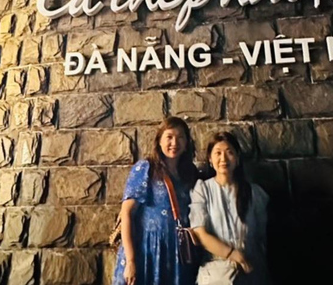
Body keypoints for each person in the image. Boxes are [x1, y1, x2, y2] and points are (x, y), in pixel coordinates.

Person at [112, 117, 199, 285]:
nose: (175, 142)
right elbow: (127, 214)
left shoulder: (190, 173)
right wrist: (130, 261)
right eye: (169, 137)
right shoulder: (146, 168)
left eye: (180, 137)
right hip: (147, 251)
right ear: (159, 141)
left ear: (187, 142)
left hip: (177, 254)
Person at [189, 132, 270, 285]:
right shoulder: (203, 190)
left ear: (237, 158)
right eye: (217, 153)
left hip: (251, 271)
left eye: (229, 152)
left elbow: (261, 237)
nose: (223, 159)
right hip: (217, 273)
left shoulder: (254, 193)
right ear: (210, 159)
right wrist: (232, 254)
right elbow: (200, 233)